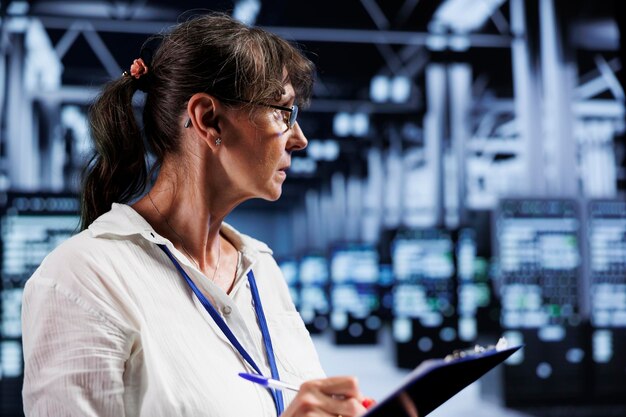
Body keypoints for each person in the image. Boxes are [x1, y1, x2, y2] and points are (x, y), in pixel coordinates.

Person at [21, 13, 371, 417]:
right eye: (283, 112)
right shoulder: (82, 279)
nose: (300, 138)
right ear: (208, 118)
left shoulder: (260, 267)